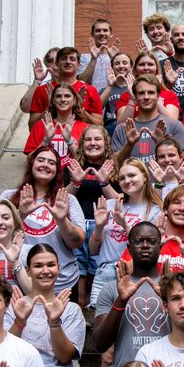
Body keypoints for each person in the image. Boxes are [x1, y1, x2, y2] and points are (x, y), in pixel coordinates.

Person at [94, 222, 172, 367]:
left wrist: (168, 296)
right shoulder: (111, 289)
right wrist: (121, 300)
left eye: (151, 241)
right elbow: (100, 343)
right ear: (128, 248)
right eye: (138, 241)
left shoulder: (172, 288)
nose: (145, 246)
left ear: (160, 247)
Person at [2, 146, 87, 299]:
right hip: (21, 279)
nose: (45, 165)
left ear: (57, 170)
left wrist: (62, 220)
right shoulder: (9, 196)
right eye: (40, 160)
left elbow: (77, 242)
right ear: (32, 164)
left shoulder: (68, 200)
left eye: (51, 162)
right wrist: (20, 214)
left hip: (63, 282)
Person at [87, 157, 162, 307]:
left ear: (145, 177)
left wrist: (125, 225)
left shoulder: (155, 210)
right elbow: (93, 250)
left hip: (135, 273)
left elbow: (150, 248)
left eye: (132, 175)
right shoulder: (109, 205)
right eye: (122, 178)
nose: (127, 181)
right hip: (105, 273)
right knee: (102, 325)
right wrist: (99, 226)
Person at [65, 125, 119, 305]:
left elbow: (120, 201)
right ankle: (80, 313)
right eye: (88, 139)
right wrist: (76, 183)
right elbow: (61, 199)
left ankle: (96, 312)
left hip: (103, 227)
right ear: (81, 144)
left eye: (97, 139)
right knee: (79, 269)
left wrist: (105, 183)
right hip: (77, 226)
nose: (93, 143)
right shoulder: (73, 167)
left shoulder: (114, 168)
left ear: (106, 143)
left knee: (98, 269)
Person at [111, 75, 184, 169]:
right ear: (135, 96)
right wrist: (129, 144)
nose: (146, 97)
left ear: (158, 96)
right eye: (141, 93)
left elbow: (181, 160)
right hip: (131, 182)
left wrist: (161, 142)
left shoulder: (174, 125)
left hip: (163, 182)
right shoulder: (122, 128)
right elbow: (113, 164)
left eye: (151, 92)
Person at [25, 45, 104, 128]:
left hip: (80, 139)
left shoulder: (90, 90)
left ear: (78, 64)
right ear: (57, 63)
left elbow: (100, 126)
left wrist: (81, 110)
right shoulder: (42, 90)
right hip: (50, 139)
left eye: (72, 59)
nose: (68, 62)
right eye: (64, 58)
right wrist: (49, 107)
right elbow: (32, 127)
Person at [23, 82, 90, 158]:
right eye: (58, 96)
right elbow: (29, 160)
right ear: (53, 101)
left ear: (74, 100)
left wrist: (69, 141)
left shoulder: (85, 128)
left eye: (67, 96)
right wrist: (45, 141)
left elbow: (85, 162)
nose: (63, 99)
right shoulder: (40, 126)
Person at [116, 51, 182, 123]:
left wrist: (156, 94)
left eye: (150, 64)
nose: (146, 68)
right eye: (141, 64)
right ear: (135, 69)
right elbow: (120, 126)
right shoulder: (126, 96)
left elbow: (173, 124)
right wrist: (132, 99)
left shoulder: (170, 95)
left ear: (156, 68)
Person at [77, 18, 121, 93]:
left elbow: (122, 81)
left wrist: (113, 58)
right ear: (92, 34)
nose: (102, 33)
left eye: (105, 30)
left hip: (112, 99)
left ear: (111, 34)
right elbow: (82, 81)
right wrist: (93, 59)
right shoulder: (84, 57)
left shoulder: (118, 57)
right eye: (98, 31)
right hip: (91, 98)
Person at [98, 52, 132, 136]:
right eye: (117, 63)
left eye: (125, 63)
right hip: (109, 128)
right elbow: (98, 107)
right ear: (112, 68)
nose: (121, 66)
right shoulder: (106, 89)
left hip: (130, 126)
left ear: (131, 67)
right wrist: (110, 85)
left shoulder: (136, 88)